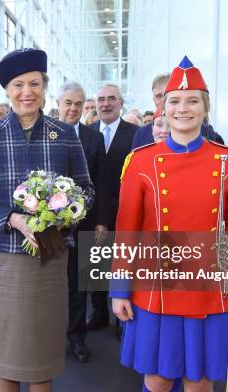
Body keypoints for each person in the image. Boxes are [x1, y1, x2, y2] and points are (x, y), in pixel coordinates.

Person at [111, 56, 228, 392]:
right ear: (162, 108)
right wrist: (119, 289)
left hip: (209, 284)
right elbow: (127, 230)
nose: (183, 109)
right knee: (158, 379)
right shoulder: (141, 162)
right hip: (157, 284)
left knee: (199, 380)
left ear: (205, 108)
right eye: (174, 101)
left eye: (193, 101)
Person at [0, 48, 94, 392]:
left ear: (44, 86)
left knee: (41, 354)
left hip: (48, 258)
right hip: (1, 258)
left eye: (34, 83)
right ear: (7, 90)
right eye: (18, 85)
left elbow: (87, 190)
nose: (27, 92)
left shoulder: (64, 134)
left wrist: (64, 214)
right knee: (4, 353)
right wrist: (14, 219)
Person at [56, 81, 106, 363]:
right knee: (50, 282)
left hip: (84, 222)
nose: (73, 108)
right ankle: (49, 337)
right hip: (47, 225)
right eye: (68, 103)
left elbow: (101, 180)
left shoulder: (93, 138)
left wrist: (101, 221)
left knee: (78, 283)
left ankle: (76, 338)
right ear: (59, 103)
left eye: (78, 103)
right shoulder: (43, 132)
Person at [87, 83, 139, 332]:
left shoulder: (136, 133)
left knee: (122, 262)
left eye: (111, 99)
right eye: (101, 99)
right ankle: (99, 313)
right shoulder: (88, 132)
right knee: (96, 264)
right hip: (93, 211)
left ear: (120, 103)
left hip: (125, 210)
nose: (105, 104)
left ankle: (122, 319)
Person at [131, 73, 224, 149]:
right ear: (153, 100)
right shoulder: (142, 134)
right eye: (159, 96)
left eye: (167, 95)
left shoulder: (205, 130)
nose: (164, 100)